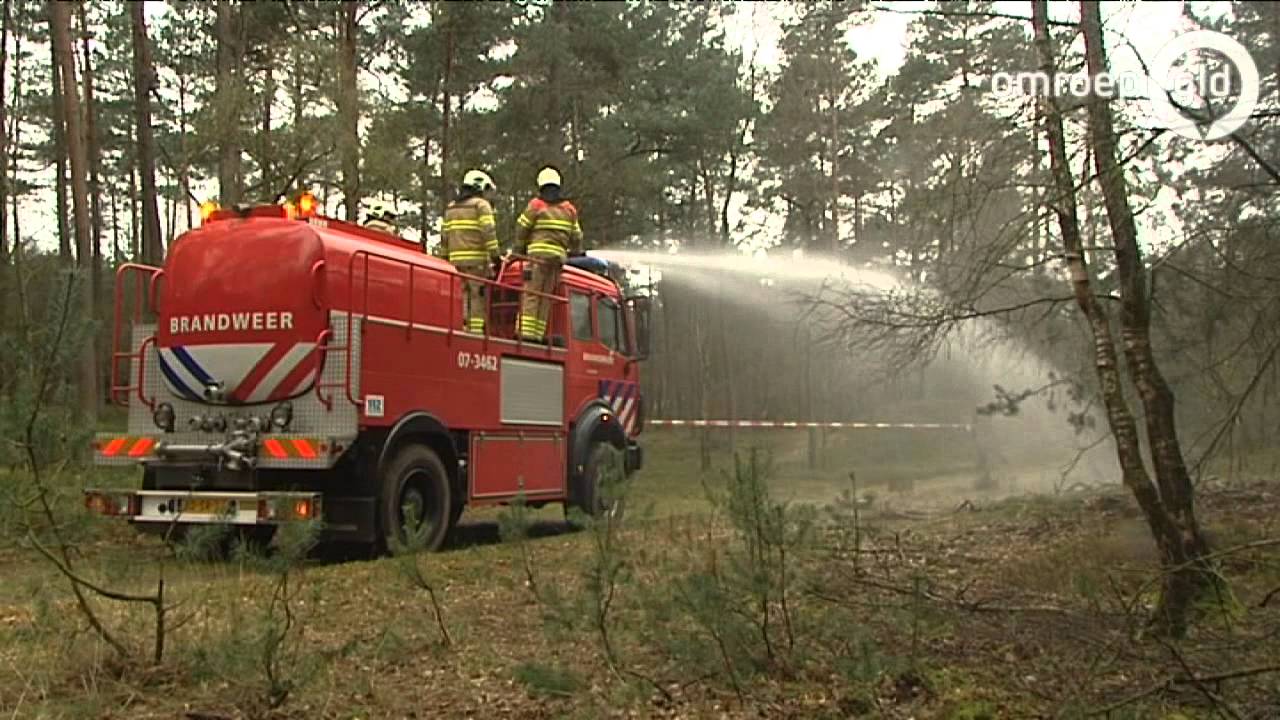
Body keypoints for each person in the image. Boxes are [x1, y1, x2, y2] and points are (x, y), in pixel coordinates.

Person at [513, 166, 583, 343]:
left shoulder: (536, 205)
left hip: (537, 258)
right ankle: (538, 334)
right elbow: (577, 236)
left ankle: (527, 335)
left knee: (531, 294)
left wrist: (518, 251)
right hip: (556, 260)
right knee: (546, 297)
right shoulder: (569, 210)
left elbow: (522, 228)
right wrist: (575, 253)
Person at [443, 169, 500, 333]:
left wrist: (443, 260)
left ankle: (462, 328)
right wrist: (496, 257)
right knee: (477, 298)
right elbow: (488, 232)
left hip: (455, 264)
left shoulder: (451, 208)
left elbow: (444, 238)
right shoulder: (481, 206)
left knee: (462, 298)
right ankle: (475, 334)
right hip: (476, 263)